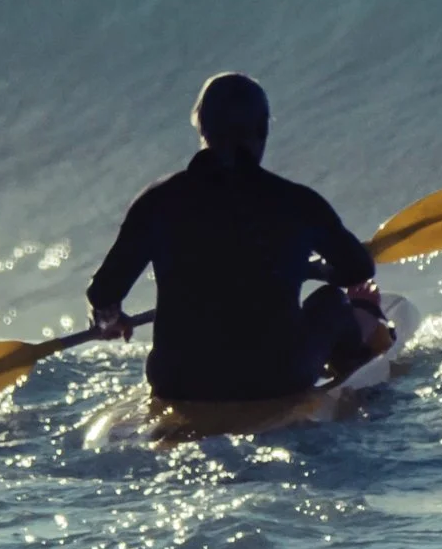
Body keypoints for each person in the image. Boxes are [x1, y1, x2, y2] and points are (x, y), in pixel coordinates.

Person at [85, 72, 382, 402]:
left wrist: (109, 317)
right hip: (277, 378)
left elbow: (103, 292)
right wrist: (317, 270)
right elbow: (357, 269)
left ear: (202, 130)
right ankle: (356, 352)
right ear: (262, 131)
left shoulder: (157, 201)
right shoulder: (297, 201)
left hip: (177, 381)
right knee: (332, 301)